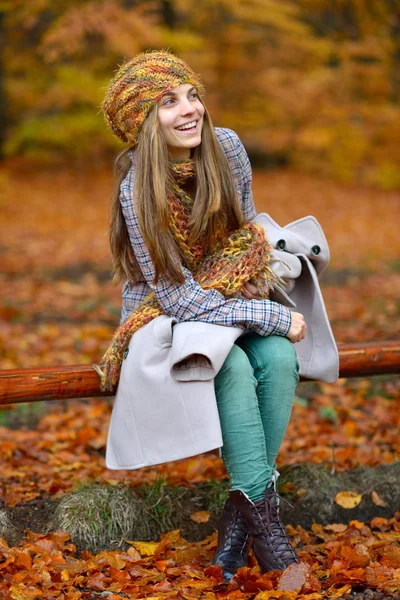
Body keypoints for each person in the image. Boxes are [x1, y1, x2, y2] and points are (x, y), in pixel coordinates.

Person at [101, 50, 307, 581]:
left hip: (231, 296)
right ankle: (269, 536)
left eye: (192, 94)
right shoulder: (136, 190)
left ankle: (242, 519)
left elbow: (243, 238)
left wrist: (257, 312)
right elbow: (175, 296)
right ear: (142, 122)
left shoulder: (228, 149)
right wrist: (269, 314)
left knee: (280, 358)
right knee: (232, 366)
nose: (189, 109)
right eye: (168, 102)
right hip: (167, 314)